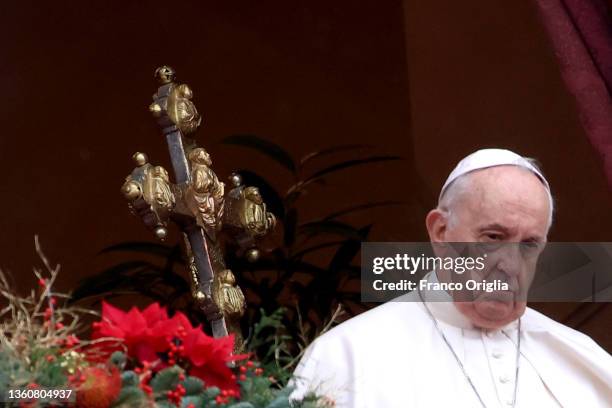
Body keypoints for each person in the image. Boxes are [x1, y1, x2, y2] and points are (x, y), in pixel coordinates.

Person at [291, 149, 612, 407]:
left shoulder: (583, 357)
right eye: (493, 236)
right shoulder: (346, 356)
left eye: (529, 244)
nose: (511, 264)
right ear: (440, 232)